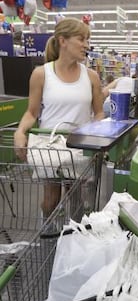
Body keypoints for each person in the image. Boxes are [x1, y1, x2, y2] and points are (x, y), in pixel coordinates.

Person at [14, 17, 105, 220]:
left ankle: (72, 241)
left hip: (80, 148)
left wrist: (98, 135)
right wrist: (20, 132)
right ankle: (48, 236)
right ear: (63, 41)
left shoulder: (91, 77)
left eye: (88, 40)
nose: (87, 45)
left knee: (77, 201)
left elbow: (98, 113)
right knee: (51, 200)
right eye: (81, 39)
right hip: (50, 147)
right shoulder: (41, 74)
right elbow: (32, 112)